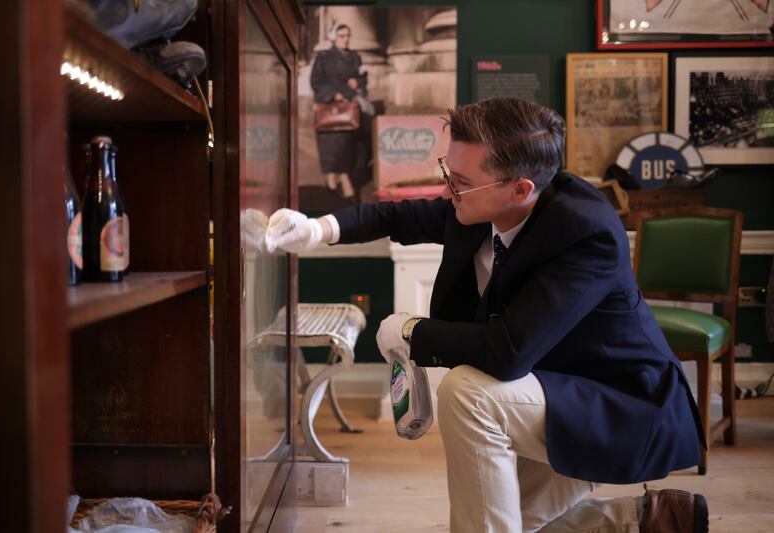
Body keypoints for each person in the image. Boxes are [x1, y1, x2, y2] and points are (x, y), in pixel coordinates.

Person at [265, 97, 707, 533]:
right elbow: (395, 216)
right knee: (512, 523)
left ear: (520, 189)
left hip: (619, 406)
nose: (446, 190)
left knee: (466, 393)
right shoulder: (478, 204)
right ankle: (644, 521)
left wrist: (409, 332)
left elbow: (507, 352)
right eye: (447, 172)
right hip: (553, 390)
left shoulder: (585, 231)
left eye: (459, 181)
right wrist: (317, 228)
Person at [310, 23, 367, 200]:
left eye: (348, 35)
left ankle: (338, 180)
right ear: (334, 37)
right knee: (329, 147)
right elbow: (316, 80)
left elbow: (363, 78)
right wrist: (333, 94)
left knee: (346, 147)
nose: (345, 39)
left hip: (348, 111)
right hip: (329, 108)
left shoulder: (355, 57)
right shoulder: (324, 57)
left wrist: (358, 83)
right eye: (341, 35)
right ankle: (336, 180)